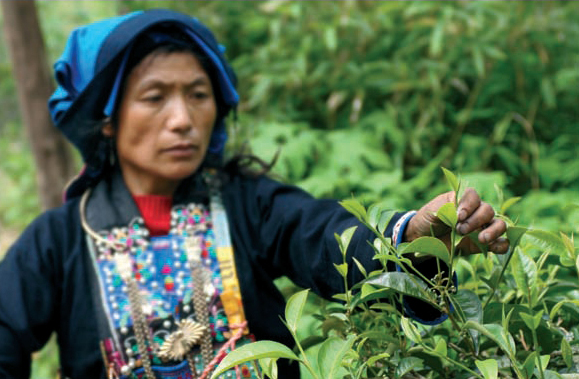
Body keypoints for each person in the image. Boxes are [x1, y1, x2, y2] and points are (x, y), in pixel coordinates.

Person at [0, 9, 508, 379]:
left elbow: (322, 235)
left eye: (198, 95)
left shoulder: (246, 203)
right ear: (108, 121)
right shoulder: (61, 238)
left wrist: (412, 234)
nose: (182, 120)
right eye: (154, 97)